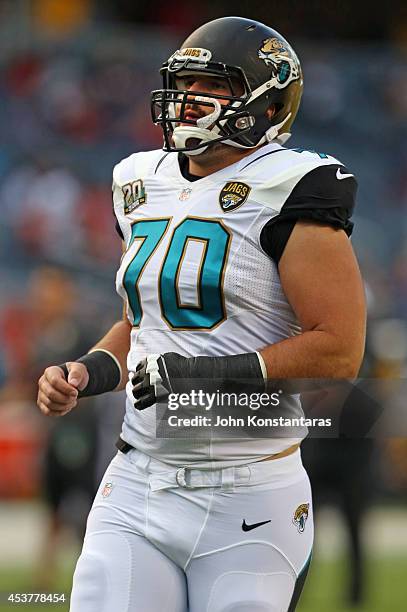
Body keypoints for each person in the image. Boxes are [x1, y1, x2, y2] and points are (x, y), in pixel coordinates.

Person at [37, 16, 366, 612]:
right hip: (138, 482)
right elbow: (145, 326)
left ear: (264, 105)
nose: (187, 102)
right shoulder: (139, 180)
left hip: (251, 494)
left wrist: (204, 376)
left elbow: (339, 349)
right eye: (184, 85)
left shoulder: (292, 187)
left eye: (211, 88)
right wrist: (87, 370)